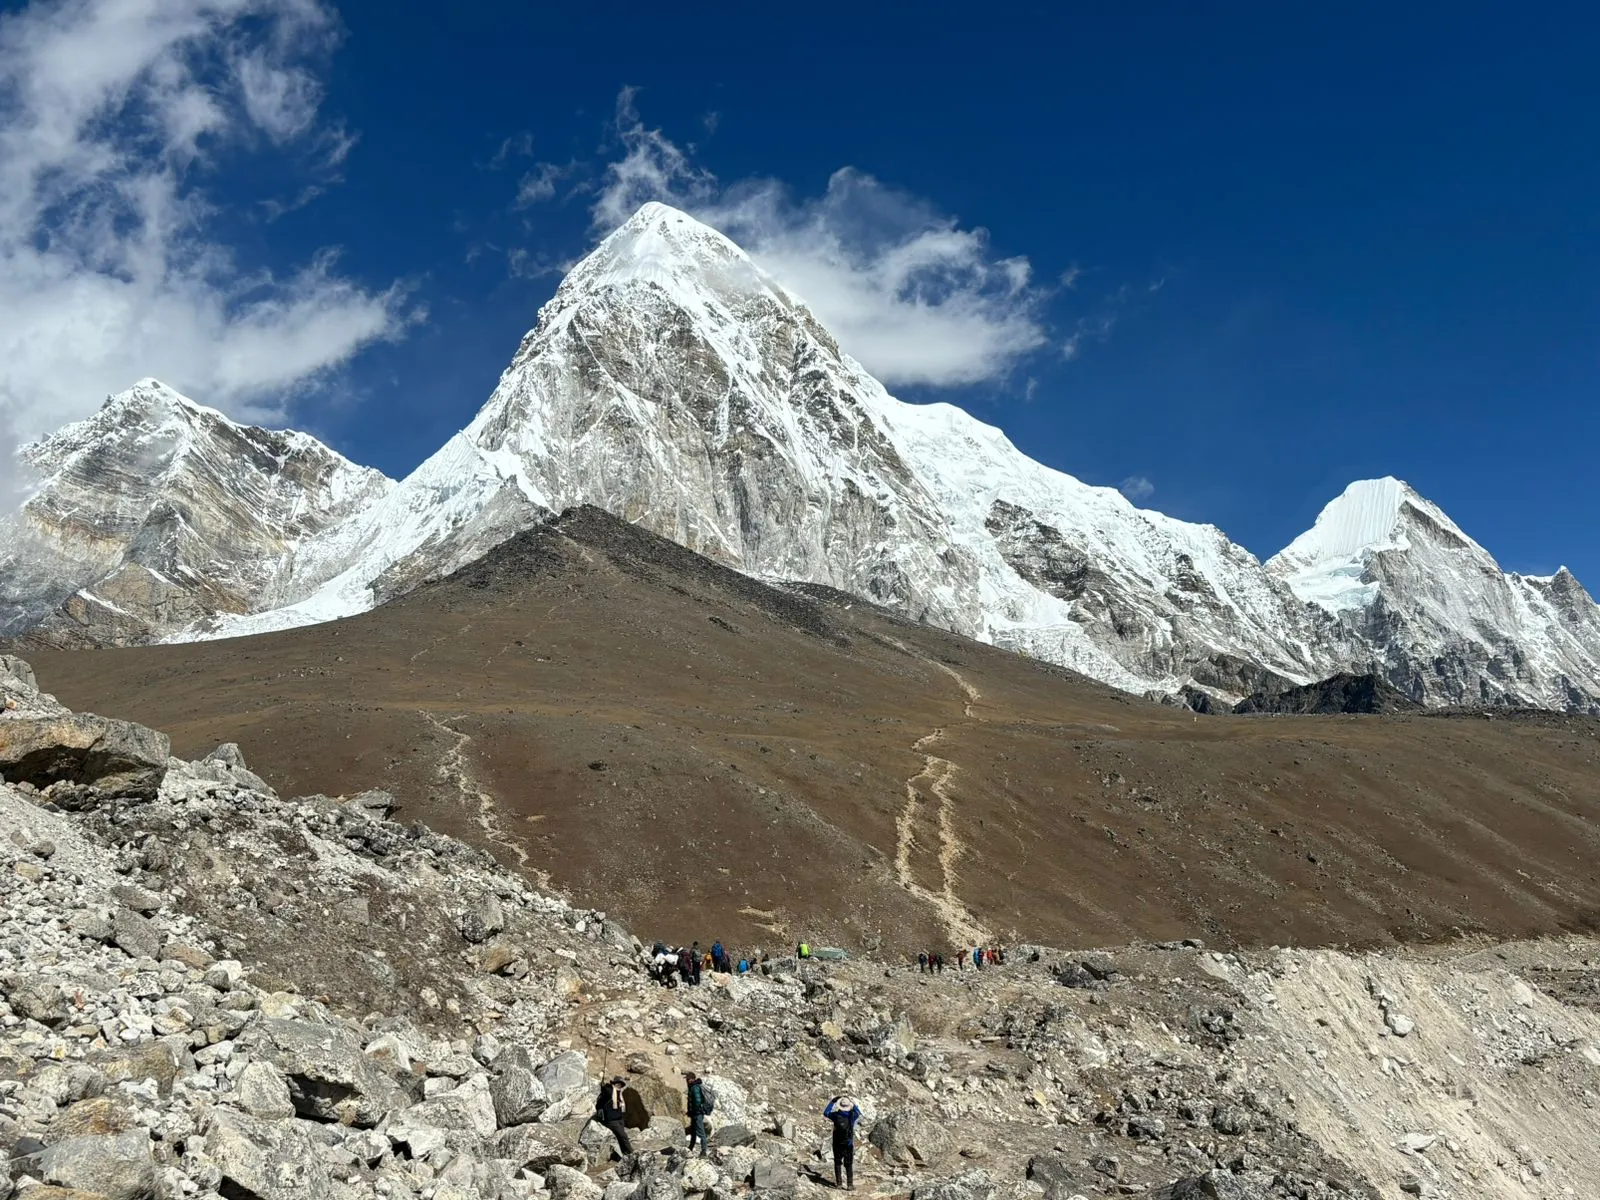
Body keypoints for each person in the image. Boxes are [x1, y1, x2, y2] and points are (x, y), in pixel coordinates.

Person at [823, 1095, 860, 1189]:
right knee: (848, 1164)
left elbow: (826, 1113)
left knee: (837, 1163)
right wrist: (853, 1103)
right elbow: (858, 1112)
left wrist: (832, 1102)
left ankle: (839, 1184)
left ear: (839, 1105)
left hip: (837, 1143)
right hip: (848, 1143)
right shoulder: (852, 1115)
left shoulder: (835, 1115)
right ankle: (850, 1185)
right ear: (849, 1106)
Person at [595, 1076, 634, 1157]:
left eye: (621, 1084)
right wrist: (603, 1085)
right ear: (614, 1083)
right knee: (623, 1137)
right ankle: (631, 1154)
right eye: (618, 1083)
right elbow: (605, 1089)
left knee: (621, 1138)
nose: (620, 1085)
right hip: (611, 1121)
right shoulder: (609, 1091)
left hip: (619, 1119)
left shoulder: (619, 1093)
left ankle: (625, 1154)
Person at [683, 1071, 710, 1156]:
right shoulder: (693, 1087)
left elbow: (697, 1101)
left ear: (692, 1079)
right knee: (693, 1131)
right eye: (686, 1079)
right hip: (695, 1113)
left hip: (697, 1113)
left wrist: (694, 1111)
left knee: (701, 1132)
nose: (686, 1080)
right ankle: (690, 1147)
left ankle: (704, 1151)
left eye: (688, 1079)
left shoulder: (695, 1088)